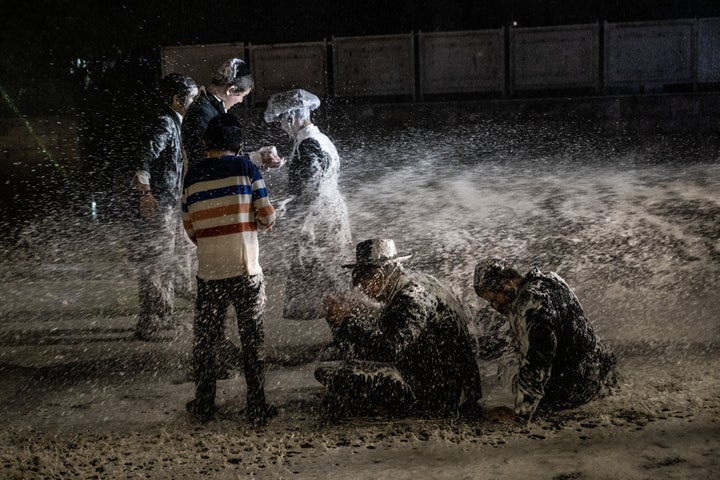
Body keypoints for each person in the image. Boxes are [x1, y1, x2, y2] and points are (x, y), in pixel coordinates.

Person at [316, 238, 483, 418]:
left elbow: (388, 350)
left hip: (446, 395)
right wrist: (341, 321)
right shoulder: (416, 282)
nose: (360, 289)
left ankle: (411, 408)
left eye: (360, 281)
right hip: (449, 383)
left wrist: (345, 320)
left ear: (378, 275)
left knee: (340, 377)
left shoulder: (411, 296)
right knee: (347, 376)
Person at [181, 113, 277, 425]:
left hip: (209, 272)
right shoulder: (247, 168)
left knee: (206, 341)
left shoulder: (192, 175)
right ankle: (257, 404)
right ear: (238, 145)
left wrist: (211, 242)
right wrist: (264, 221)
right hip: (245, 269)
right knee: (253, 339)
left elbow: (190, 227)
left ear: (206, 144)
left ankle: (205, 404)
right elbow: (264, 215)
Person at [473, 258, 619, 424]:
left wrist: (520, 416)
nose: (494, 306)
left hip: (575, 390)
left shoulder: (530, 307)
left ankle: (537, 408)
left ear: (506, 283)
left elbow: (536, 365)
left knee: (507, 362)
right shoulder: (551, 279)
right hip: (601, 370)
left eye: (493, 298)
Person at [263, 88, 353, 320]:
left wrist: (285, 210)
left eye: (282, 120)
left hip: (317, 222)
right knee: (330, 278)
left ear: (291, 117)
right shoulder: (321, 139)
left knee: (326, 279)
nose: (282, 126)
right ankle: (343, 332)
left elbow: (310, 188)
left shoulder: (308, 144)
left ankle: (345, 334)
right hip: (330, 215)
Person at [130, 72, 199, 341]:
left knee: (168, 262)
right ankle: (151, 323)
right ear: (175, 99)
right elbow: (143, 158)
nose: (194, 102)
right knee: (156, 264)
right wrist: (146, 193)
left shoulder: (178, 123)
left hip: (172, 207)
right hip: (159, 208)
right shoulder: (164, 124)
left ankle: (164, 316)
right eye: (191, 98)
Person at [182, 57, 283, 169]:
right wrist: (258, 158)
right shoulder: (203, 113)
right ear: (230, 90)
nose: (240, 101)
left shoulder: (209, 106)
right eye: (242, 96)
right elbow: (213, 160)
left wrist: (258, 156)